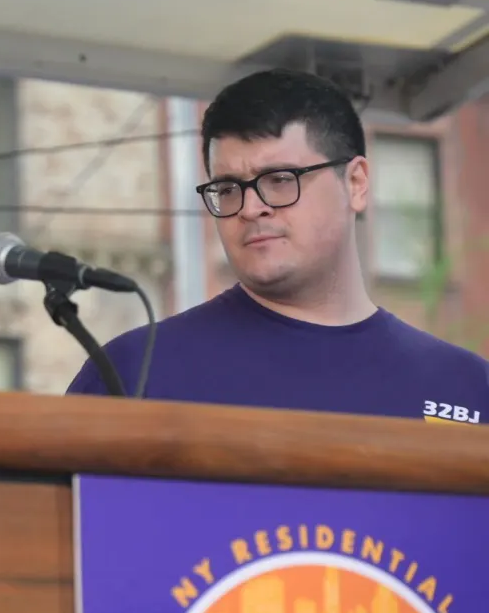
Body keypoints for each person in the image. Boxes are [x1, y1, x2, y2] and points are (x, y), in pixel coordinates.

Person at [67, 68, 489, 423]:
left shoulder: (467, 389)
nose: (251, 208)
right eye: (228, 187)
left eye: (281, 180)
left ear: (356, 184)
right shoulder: (136, 374)